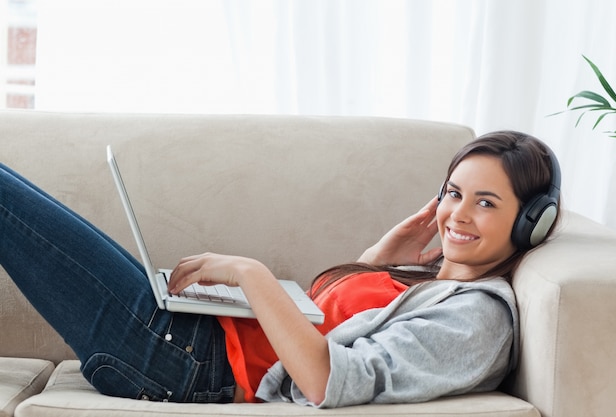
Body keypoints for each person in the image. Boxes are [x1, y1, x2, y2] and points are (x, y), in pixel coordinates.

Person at [0, 130, 560, 408]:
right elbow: (330, 323)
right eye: (453, 193)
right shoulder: (438, 287)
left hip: (186, 364)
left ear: (529, 222)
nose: (457, 215)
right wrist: (377, 261)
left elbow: (327, 379)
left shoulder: (477, 321)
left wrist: (251, 273)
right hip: (189, 338)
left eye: (486, 203)